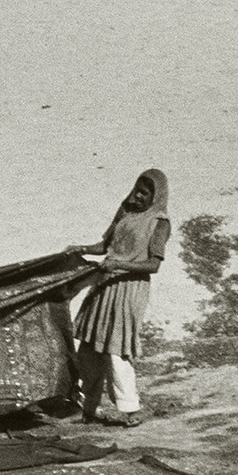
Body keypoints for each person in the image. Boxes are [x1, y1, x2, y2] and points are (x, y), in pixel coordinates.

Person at [67, 168, 171, 427]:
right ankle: (88, 409)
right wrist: (81, 249)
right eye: (136, 189)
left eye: (144, 193)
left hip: (129, 289)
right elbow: (105, 247)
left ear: (156, 197)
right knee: (90, 348)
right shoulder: (125, 211)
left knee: (116, 349)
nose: (137, 196)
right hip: (105, 286)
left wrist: (118, 266)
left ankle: (130, 410)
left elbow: (153, 265)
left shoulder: (159, 222)